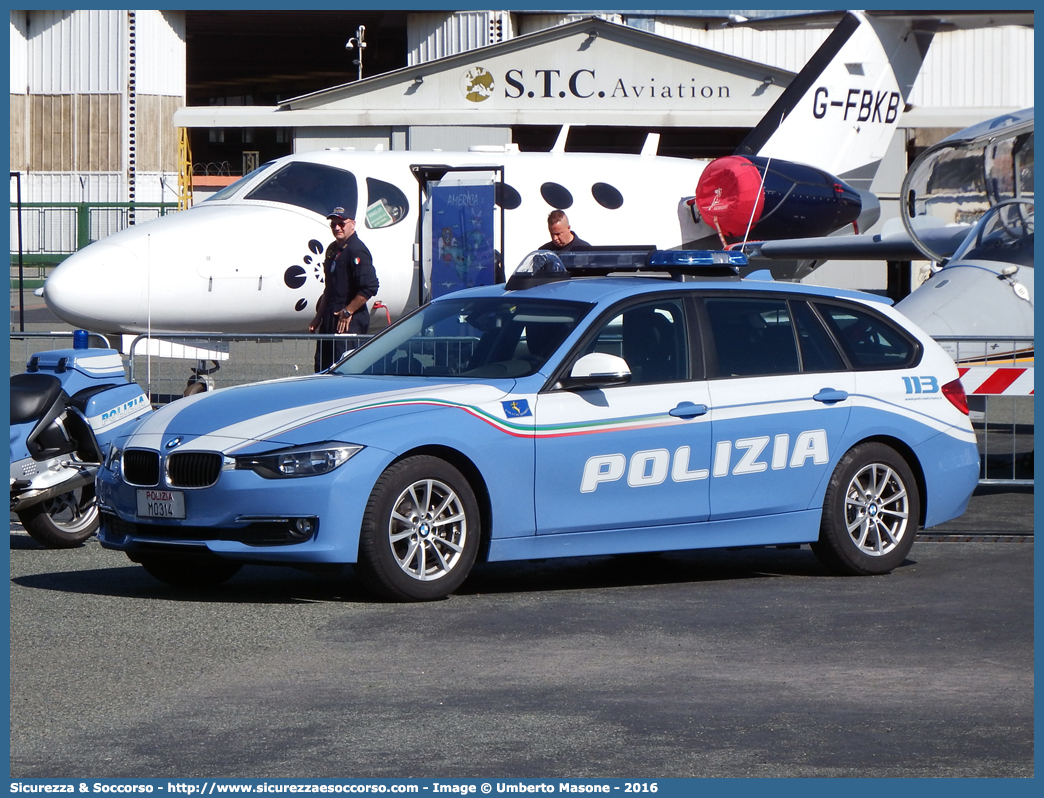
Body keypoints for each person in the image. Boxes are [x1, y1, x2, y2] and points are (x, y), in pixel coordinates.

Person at [310, 207, 380, 372]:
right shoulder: (332, 249)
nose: (337, 228)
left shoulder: (357, 250)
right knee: (323, 368)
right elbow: (329, 288)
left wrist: (348, 311)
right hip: (329, 318)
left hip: (349, 322)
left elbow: (370, 286)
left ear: (352, 224)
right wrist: (318, 317)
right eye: (333, 224)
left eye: (341, 223)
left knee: (344, 368)